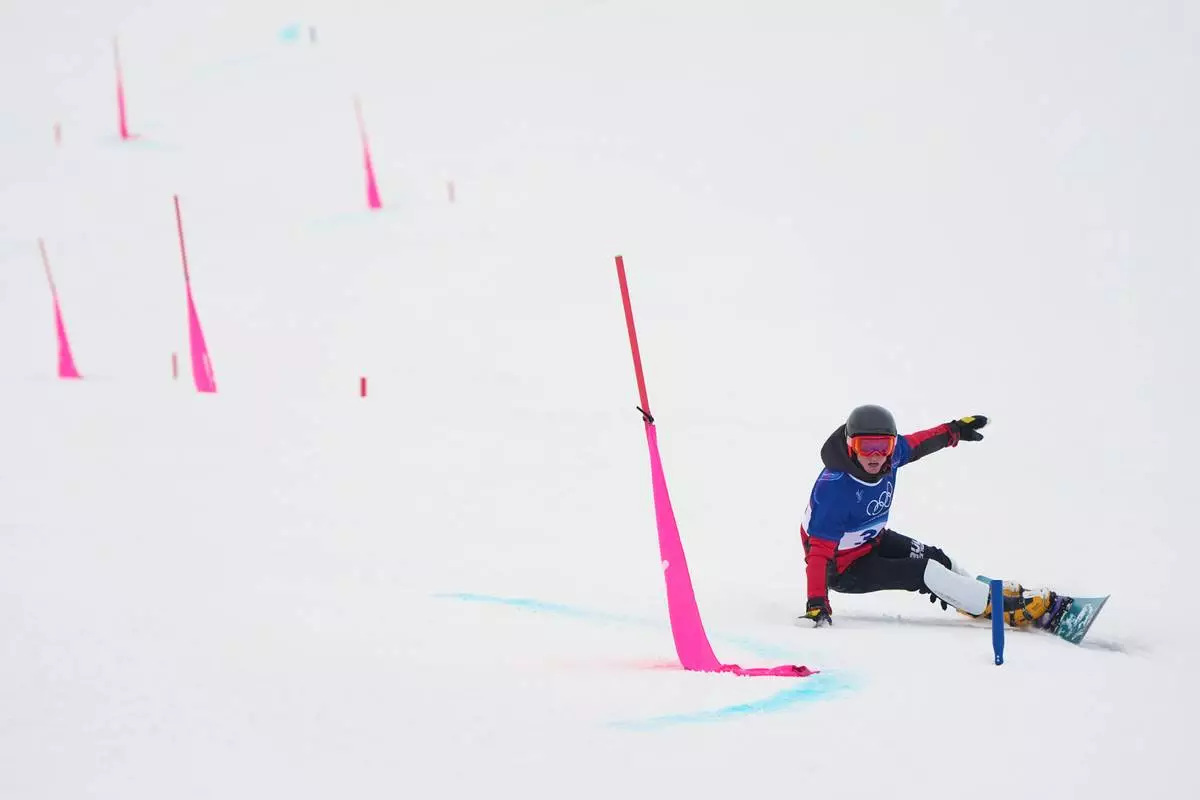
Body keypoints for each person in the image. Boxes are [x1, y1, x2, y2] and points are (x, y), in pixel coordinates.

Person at [799, 405, 1065, 628]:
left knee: (938, 558)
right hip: (842, 569)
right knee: (922, 572)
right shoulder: (835, 489)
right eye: (865, 446)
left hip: (872, 542)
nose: (875, 456)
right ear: (850, 445)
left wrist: (954, 431)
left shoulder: (892, 457)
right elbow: (818, 553)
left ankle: (975, 593)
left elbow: (920, 443)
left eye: (884, 446)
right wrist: (817, 602)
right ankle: (997, 608)